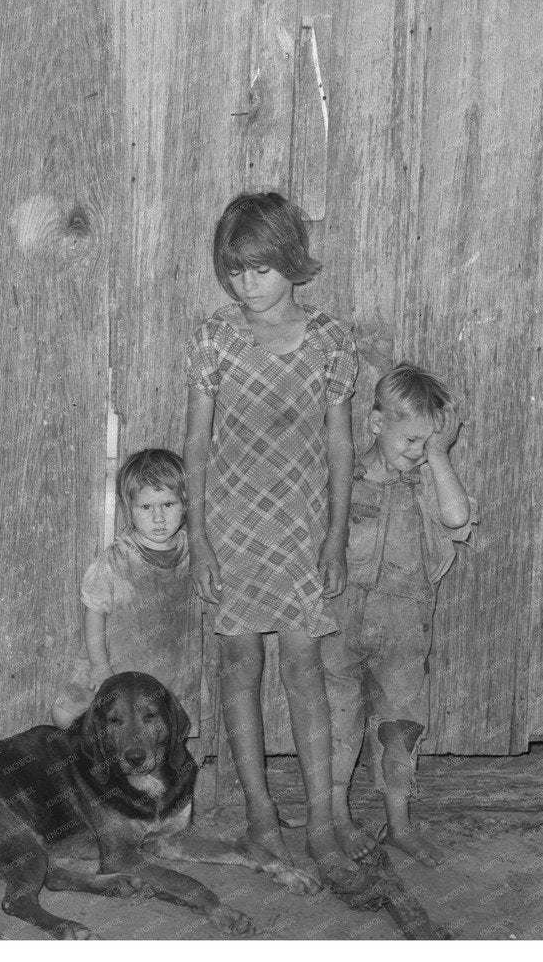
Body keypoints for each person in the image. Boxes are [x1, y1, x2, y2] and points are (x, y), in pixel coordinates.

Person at [183, 191, 370, 894]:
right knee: (238, 662)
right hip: (232, 529)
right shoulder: (214, 336)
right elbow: (197, 442)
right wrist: (199, 536)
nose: (245, 283)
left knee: (303, 667)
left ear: (291, 262)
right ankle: (262, 814)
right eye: (233, 270)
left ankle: (322, 819)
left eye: (258, 268)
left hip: (299, 529)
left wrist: (334, 537)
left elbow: (342, 445)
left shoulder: (330, 339)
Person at [323, 363, 474, 868]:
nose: (418, 452)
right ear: (374, 424)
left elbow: (456, 517)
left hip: (405, 632)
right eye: (411, 440)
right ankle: (336, 819)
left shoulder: (428, 481)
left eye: (429, 443)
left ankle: (399, 824)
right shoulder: (345, 480)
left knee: (402, 725)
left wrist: (437, 458)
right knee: (339, 726)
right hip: (339, 627)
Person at [50, 448, 201, 730]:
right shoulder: (116, 559)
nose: (158, 518)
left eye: (167, 505)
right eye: (145, 507)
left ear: (185, 504)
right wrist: (100, 667)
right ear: (128, 508)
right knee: (65, 717)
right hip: (115, 664)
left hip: (171, 670)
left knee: (165, 728)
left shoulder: (193, 554)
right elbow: (94, 613)